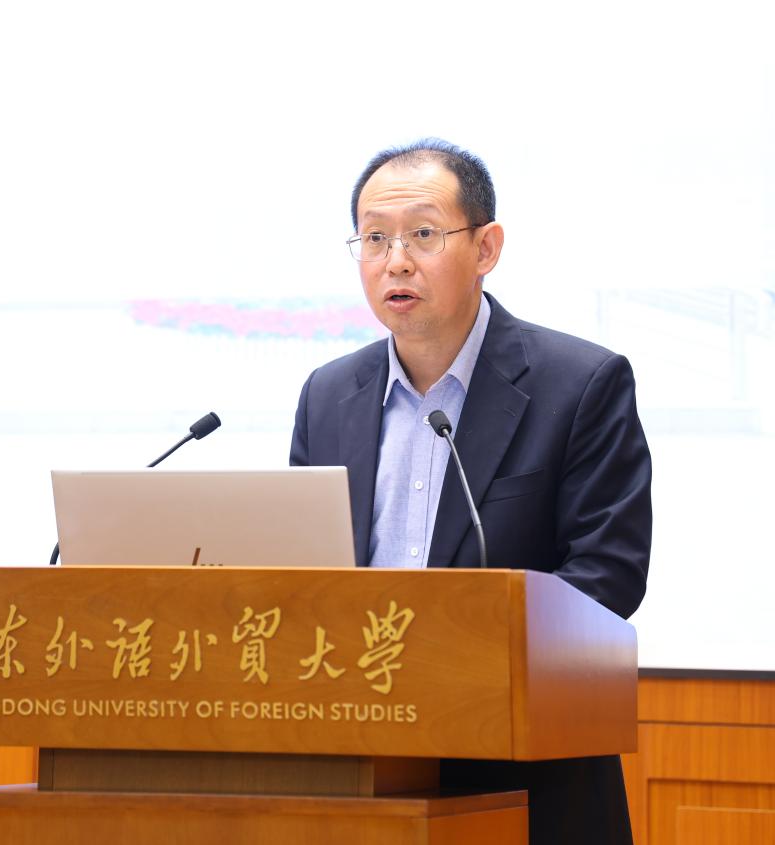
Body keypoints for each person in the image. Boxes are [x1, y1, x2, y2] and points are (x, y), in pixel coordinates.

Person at [289, 139, 652, 845]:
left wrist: (445, 657)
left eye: (423, 234)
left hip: (523, 777)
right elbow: (306, 577)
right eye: (374, 238)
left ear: (486, 247)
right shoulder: (328, 395)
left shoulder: (581, 383)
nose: (396, 260)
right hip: (360, 779)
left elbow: (607, 575)